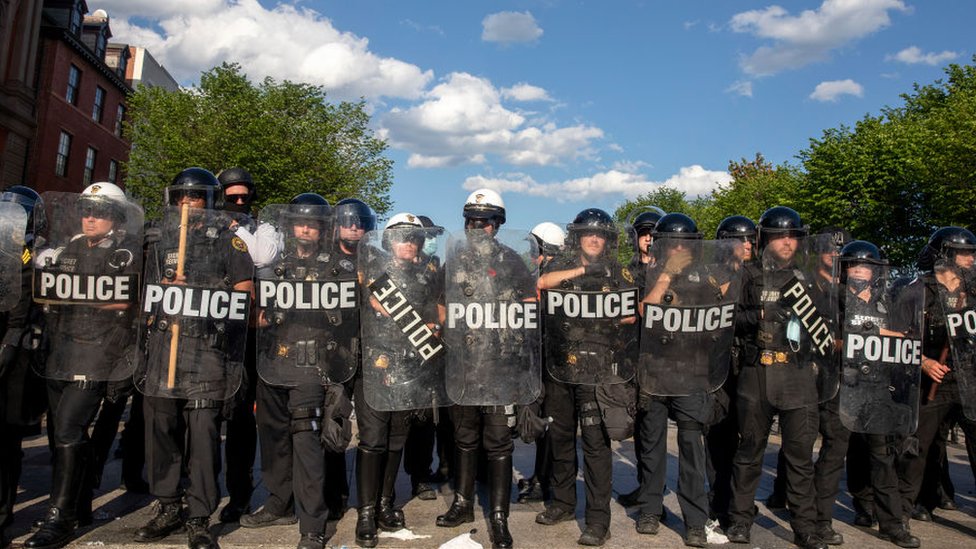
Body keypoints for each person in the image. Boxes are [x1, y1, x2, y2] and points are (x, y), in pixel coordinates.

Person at [133, 168, 254, 549]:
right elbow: (142, 295)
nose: (189, 204)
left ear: (209, 202)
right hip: (166, 347)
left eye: (196, 198)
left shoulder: (229, 243)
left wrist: (200, 292)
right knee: (162, 428)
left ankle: (200, 515)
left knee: (202, 433)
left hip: (207, 350)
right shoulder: (159, 241)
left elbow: (244, 294)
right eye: (183, 198)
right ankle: (168, 504)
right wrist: (163, 291)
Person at [25, 183, 142, 549]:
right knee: (63, 432)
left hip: (99, 354)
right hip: (60, 352)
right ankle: (81, 501)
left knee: (69, 430)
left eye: (100, 212)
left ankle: (60, 517)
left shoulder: (128, 253)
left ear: (117, 218)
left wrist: (78, 298)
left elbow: (127, 301)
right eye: (87, 211)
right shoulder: (69, 248)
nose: (90, 218)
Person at [438, 188, 537, 549]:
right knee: (464, 438)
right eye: (472, 221)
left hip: (500, 365)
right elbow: (440, 304)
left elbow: (529, 306)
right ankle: (463, 503)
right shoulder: (456, 260)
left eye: (485, 221)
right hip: (464, 365)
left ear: (497, 225)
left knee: (497, 442)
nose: (478, 226)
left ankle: (499, 515)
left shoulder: (512, 260)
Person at [725, 206, 829, 549]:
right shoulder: (746, 274)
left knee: (799, 455)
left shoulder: (810, 279)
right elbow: (728, 321)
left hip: (798, 374)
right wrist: (759, 315)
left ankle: (806, 528)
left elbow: (825, 330)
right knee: (750, 450)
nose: (786, 242)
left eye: (792, 237)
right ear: (764, 239)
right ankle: (740, 520)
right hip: (757, 371)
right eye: (779, 236)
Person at [535, 208, 637, 547]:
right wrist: (582, 271)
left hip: (596, 368)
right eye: (588, 234)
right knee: (560, 439)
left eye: (600, 235)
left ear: (607, 240)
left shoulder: (619, 272)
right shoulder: (560, 265)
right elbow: (540, 285)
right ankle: (563, 503)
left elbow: (633, 311)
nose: (594, 239)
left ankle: (597, 521)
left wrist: (611, 312)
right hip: (560, 365)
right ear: (577, 237)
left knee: (596, 444)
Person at [240, 193, 334, 549]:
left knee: (307, 443)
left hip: (312, 365)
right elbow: (255, 315)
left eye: (312, 223)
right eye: (300, 222)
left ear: (322, 228)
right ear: (291, 227)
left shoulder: (335, 268)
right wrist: (262, 316)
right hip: (273, 362)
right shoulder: (275, 266)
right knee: (274, 438)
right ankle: (280, 502)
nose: (306, 228)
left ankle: (312, 525)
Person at [634, 213, 731, 548]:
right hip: (655, 373)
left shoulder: (705, 278)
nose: (677, 248)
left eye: (683, 243)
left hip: (692, 374)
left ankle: (695, 521)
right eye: (671, 243)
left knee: (691, 449)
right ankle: (649, 510)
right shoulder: (646, 274)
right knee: (651, 446)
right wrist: (667, 275)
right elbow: (646, 310)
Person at [835, 240, 919, 548]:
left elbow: (904, 335)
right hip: (846, 384)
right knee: (838, 455)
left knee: (883, 457)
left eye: (866, 267)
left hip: (878, 386)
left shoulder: (887, 300)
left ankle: (892, 524)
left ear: (875, 271)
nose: (860, 271)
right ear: (845, 270)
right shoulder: (837, 299)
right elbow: (835, 338)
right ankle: (824, 518)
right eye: (854, 266)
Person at [897, 227, 976, 534]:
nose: (970, 259)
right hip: (931, 383)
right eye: (964, 253)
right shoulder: (917, 292)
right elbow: (894, 338)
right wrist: (925, 362)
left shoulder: (974, 291)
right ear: (945, 256)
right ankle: (900, 514)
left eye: (972, 253)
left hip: (969, 381)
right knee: (916, 448)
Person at [216, 167, 279, 523]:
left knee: (254, 419)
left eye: (245, 197)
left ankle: (244, 495)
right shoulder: (206, 227)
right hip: (218, 331)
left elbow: (262, 257)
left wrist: (236, 228)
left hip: (257, 333)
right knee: (221, 416)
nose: (239, 203)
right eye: (231, 198)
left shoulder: (262, 228)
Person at [0, 186, 45, 549]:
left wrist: (8, 346)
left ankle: (2, 513)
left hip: (17, 352)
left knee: (6, 435)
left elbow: (22, 306)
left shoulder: (33, 252)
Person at [705, 215, 756, 526]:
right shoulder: (712, 274)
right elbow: (712, 311)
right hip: (720, 364)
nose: (748, 245)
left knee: (749, 439)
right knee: (718, 437)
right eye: (741, 240)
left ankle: (741, 504)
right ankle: (719, 501)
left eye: (751, 239)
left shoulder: (765, 275)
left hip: (752, 366)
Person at [516, 221, 566, 504]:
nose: (532, 256)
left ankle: (546, 482)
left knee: (550, 426)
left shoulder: (558, 277)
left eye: (537, 249)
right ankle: (540, 477)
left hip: (553, 362)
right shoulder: (537, 272)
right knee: (536, 426)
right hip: (535, 358)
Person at [618, 206, 664, 509]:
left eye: (653, 235)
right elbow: (622, 312)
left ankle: (652, 492)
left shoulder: (671, 271)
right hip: (634, 354)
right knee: (639, 427)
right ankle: (645, 487)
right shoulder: (626, 272)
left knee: (653, 431)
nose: (648, 240)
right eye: (643, 234)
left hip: (663, 356)